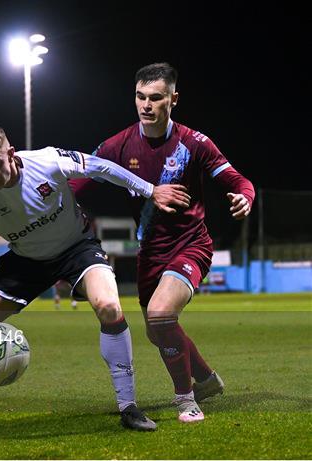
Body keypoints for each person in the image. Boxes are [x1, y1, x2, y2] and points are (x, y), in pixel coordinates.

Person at [0, 121, 191, 432]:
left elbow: (101, 167)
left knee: (110, 307)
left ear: (11, 154)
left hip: (77, 247)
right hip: (26, 261)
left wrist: (150, 190)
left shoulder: (48, 161)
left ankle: (128, 406)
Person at [71, 63, 255, 423]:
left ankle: (186, 399)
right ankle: (205, 378)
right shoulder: (118, 145)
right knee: (158, 333)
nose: (146, 105)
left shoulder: (194, 143)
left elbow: (236, 179)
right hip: (149, 253)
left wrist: (244, 197)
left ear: (174, 99)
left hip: (191, 244)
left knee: (160, 314)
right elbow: (79, 179)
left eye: (156, 98)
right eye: (140, 97)